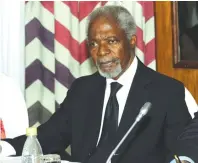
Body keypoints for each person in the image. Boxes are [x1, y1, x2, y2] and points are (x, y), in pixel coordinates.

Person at [2, 5, 193, 163]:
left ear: (132, 40)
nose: (101, 52)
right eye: (93, 44)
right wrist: (5, 147)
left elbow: (181, 151)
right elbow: (48, 137)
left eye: (111, 41)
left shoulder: (166, 92)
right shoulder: (83, 89)